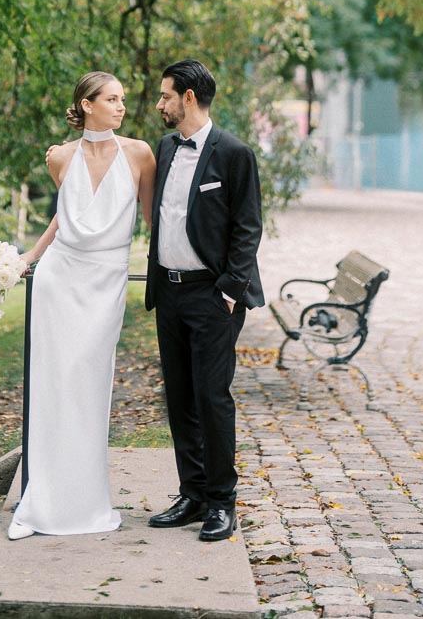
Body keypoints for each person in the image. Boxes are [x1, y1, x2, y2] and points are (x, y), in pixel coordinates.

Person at [8, 71, 156, 539]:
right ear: (87, 104)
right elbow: (66, 214)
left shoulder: (139, 153)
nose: (121, 107)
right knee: (52, 388)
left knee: (88, 387)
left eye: (122, 100)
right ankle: (42, 505)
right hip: (58, 280)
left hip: (104, 281)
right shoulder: (60, 157)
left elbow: (154, 220)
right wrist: (32, 255)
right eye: (112, 99)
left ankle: (87, 505)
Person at [145, 58, 264, 543]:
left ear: (188, 97)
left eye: (165, 96)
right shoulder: (166, 148)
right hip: (169, 293)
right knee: (179, 397)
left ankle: (221, 502)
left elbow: (247, 227)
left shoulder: (234, 153)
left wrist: (230, 292)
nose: (160, 104)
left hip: (212, 298)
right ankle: (192, 495)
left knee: (212, 399)